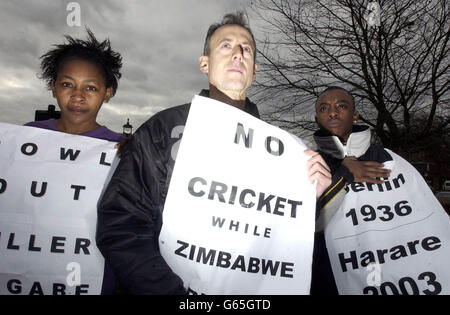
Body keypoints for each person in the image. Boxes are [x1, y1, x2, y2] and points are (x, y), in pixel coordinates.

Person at [96, 12, 332, 295]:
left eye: (246, 48)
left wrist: (311, 199)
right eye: (226, 45)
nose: (237, 54)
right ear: (204, 63)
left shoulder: (286, 154)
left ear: (254, 70)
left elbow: (286, 242)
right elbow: (120, 224)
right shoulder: (163, 129)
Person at [24, 29, 124, 294]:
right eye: (68, 84)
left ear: (107, 93)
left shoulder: (121, 150)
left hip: (94, 277)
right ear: (53, 86)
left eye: (90, 87)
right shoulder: (25, 139)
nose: (78, 96)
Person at [310, 86, 393, 294]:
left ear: (355, 115)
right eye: (323, 108)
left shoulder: (386, 158)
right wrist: (345, 174)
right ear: (316, 118)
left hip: (382, 269)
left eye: (341, 106)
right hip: (325, 275)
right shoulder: (309, 162)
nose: (332, 112)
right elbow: (305, 224)